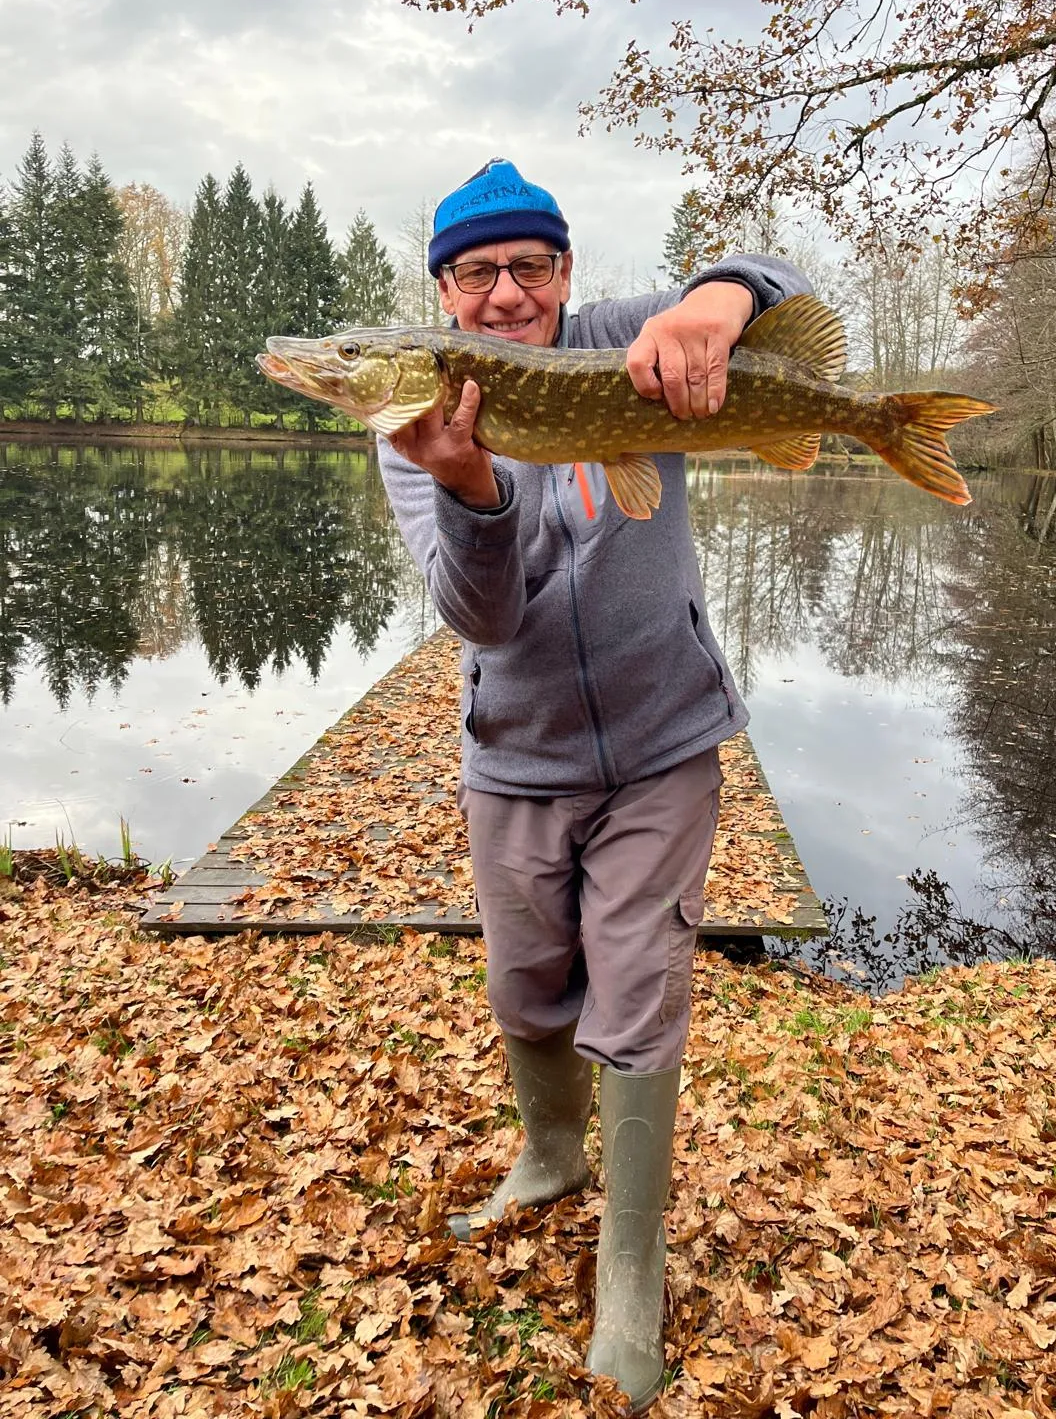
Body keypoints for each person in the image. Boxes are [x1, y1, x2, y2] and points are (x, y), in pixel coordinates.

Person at [379, 158, 808, 1412]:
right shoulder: (410, 427)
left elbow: (781, 282)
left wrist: (720, 301)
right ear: (443, 295)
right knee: (526, 983)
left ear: (566, 271)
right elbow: (481, 618)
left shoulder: (629, 339)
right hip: (516, 755)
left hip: (664, 743)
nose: (507, 293)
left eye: (531, 265)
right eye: (477, 272)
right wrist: (469, 488)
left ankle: (631, 1264)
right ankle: (552, 1151)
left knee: (638, 985)